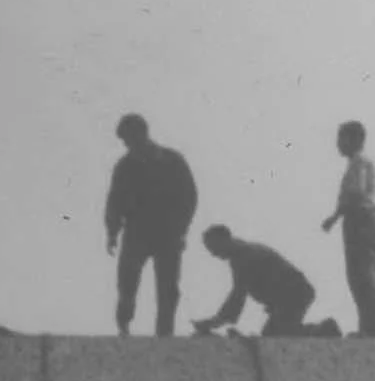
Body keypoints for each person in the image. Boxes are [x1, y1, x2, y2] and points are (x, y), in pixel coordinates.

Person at [103, 113, 199, 335]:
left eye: (129, 138)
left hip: (168, 233)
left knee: (168, 288)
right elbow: (114, 201)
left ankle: (164, 334)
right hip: (136, 231)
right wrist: (112, 232)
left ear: (142, 134)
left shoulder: (172, 160)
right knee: (127, 282)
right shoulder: (125, 166)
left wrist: (181, 230)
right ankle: (124, 326)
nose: (127, 144)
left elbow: (189, 196)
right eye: (125, 141)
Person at [193, 224, 334, 338]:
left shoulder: (243, 257)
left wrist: (214, 322)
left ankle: (322, 330)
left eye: (213, 247)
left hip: (295, 294)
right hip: (290, 295)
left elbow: (237, 296)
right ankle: (320, 330)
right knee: (272, 335)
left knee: (278, 338)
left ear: (224, 239)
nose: (213, 254)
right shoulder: (242, 253)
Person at [318, 119, 375, 337]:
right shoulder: (357, 164)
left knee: (363, 276)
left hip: (361, 222)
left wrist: (335, 216)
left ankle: (373, 330)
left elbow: (356, 193)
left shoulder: (359, 163)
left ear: (354, 140)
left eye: (341, 138)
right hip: (360, 221)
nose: (338, 144)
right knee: (359, 277)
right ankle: (368, 327)